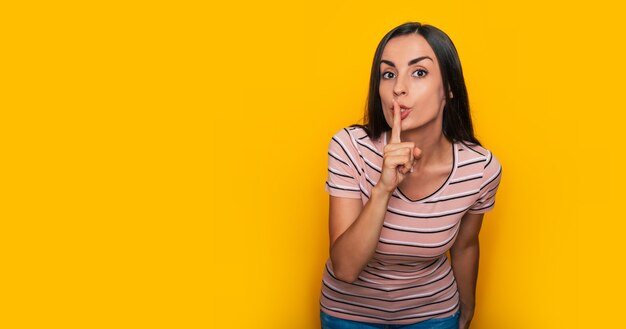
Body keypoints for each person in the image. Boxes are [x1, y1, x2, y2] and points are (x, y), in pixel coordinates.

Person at [320, 22, 502, 329]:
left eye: (419, 72)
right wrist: (383, 188)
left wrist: (467, 309)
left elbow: (466, 245)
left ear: (449, 88)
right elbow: (346, 269)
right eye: (388, 74)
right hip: (349, 317)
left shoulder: (480, 169)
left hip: (434, 316)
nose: (398, 88)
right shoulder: (349, 147)